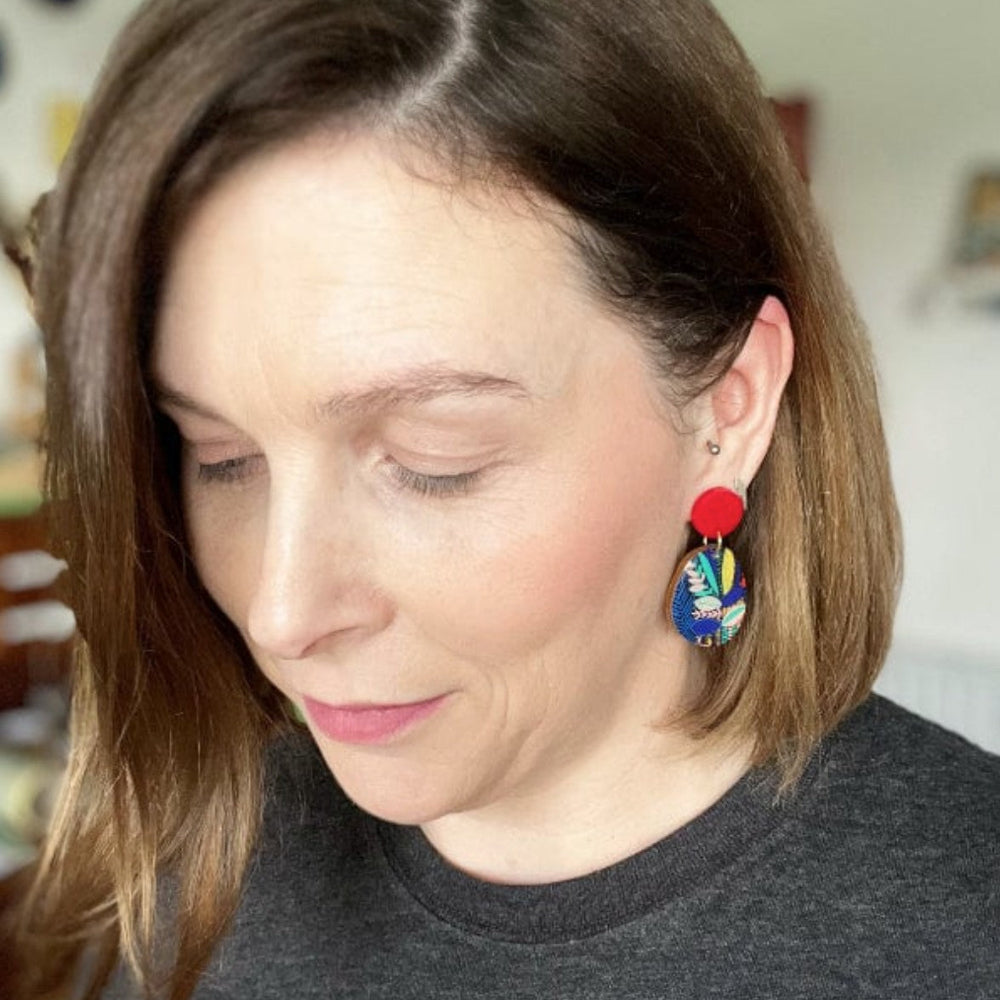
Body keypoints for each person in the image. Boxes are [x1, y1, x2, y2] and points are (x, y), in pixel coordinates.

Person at [3, 0, 997, 997]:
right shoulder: (199, 866)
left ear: (727, 412)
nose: (282, 611)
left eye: (436, 457)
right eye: (219, 456)